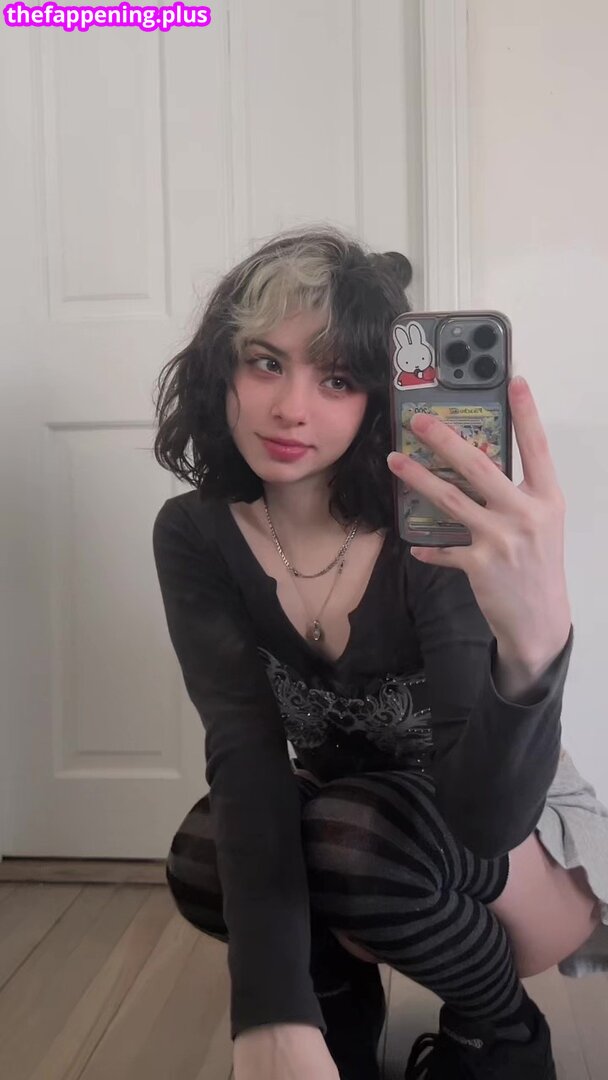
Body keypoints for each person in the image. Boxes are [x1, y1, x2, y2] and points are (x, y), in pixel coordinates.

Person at [151, 225, 604, 1080]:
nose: (292, 408)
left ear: (377, 398)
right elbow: (245, 754)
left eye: (337, 378)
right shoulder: (197, 534)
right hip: (353, 824)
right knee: (211, 851)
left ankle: (500, 1031)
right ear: (222, 370)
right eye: (265, 363)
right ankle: (337, 1016)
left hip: (512, 841)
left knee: (351, 834)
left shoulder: (429, 532)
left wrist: (536, 644)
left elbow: (485, 820)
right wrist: (271, 1012)